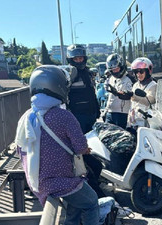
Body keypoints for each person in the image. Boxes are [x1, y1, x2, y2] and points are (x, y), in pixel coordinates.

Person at [14, 65, 99, 225]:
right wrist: (85, 149)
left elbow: (20, 149)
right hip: (61, 182)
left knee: (76, 204)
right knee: (91, 202)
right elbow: (80, 147)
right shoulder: (64, 116)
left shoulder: (27, 117)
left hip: (38, 182)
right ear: (59, 87)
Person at [66, 44, 105, 198]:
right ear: (71, 59)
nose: (79, 60)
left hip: (90, 115)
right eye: (76, 58)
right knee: (82, 151)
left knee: (93, 148)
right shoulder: (70, 74)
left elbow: (91, 93)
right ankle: (88, 180)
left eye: (81, 57)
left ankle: (93, 176)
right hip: (78, 117)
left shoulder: (87, 73)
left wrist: (97, 110)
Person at [127, 57, 157, 134]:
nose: (138, 74)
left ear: (148, 71)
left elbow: (149, 100)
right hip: (134, 122)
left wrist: (133, 95)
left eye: (141, 71)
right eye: (136, 72)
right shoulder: (136, 85)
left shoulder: (153, 85)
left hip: (146, 123)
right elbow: (132, 105)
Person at [104, 53, 133, 129]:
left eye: (117, 69)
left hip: (123, 114)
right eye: (113, 70)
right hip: (110, 112)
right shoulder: (111, 78)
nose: (115, 71)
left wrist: (117, 93)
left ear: (122, 66)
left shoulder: (129, 79)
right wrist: (106, 111)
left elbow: (130, 96)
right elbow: (110, 97)